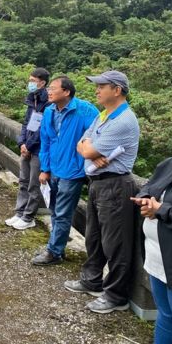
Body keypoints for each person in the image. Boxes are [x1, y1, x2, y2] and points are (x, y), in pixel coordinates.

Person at [65, 70, 140, 314]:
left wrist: (90, 151)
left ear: (116, 90)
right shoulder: (105, 115)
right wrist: (91, 150)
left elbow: (86, 151)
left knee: (114, 243)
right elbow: (82, 142)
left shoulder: (124, 120)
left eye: (101, 86)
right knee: (94, 235)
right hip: (99, 183)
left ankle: (116, 295)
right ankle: (91, 279)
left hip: (116, 185)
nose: (97, 90)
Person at [131, 121, 172, 343]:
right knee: (165, 317)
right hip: (157, 259)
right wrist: (147, 200)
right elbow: (150, 186)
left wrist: (162, 210)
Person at [32, 76, 98, 266]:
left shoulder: (85, 110)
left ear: (66, 92)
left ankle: (54, 252)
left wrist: (91, 157)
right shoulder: (49, 111)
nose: (48, 92)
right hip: (53, 169)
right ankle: (56, 244)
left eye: (53, 88)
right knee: (54, 210)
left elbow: (96, 136)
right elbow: (46, 141)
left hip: (73, 171)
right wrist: (45, 168)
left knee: (62, 213)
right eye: (49, 89)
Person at [6, 67, 50, 230]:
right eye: (30, 80)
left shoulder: (48, 101)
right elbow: (27, 123)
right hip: (27, 146)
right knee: (23, 180)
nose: (30, 83)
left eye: (33, 81)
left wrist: (29, 145)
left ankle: (29, 216)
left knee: (33, 184)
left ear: (42, 83)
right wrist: (21, 142)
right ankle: (20, 212)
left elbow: (43, 128)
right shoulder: (33, 98)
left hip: (38, 149)